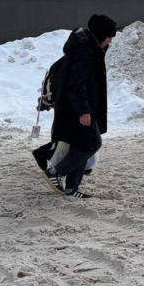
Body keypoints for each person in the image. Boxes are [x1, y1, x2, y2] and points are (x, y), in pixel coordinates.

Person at [42, 14, 115, 198]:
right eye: (108, 38)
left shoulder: (89, 48)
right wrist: (83, 110)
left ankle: (71, 189)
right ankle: (55, 173)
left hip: (79, 107)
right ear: (101, 36)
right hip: (75, 109)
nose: (110, 42)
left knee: (81, 145)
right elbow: (76, 84)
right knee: (91, 143)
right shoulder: (85, 52)